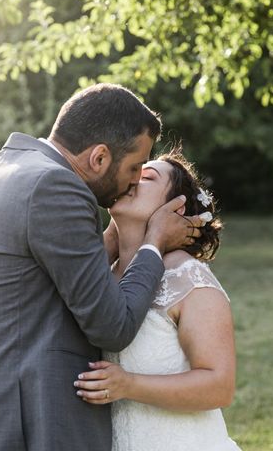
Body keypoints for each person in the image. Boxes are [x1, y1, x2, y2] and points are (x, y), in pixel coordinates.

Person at [0, 84, 204, 451]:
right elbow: (112, 327)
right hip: (37, 421)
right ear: (99, 157)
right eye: (134, 167)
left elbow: (45, 278)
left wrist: (117, 238)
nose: (135, 179)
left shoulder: (1, 172)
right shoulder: (57, 187)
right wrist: (155, 243)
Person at [74, 151, 242, 451]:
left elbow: (219, 386)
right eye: (132, 169)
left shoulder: (189, 279)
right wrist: (115, 238)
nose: (132, 178)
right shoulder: (103, 276)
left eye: (147, 176)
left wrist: (128, 385)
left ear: (175, 208)